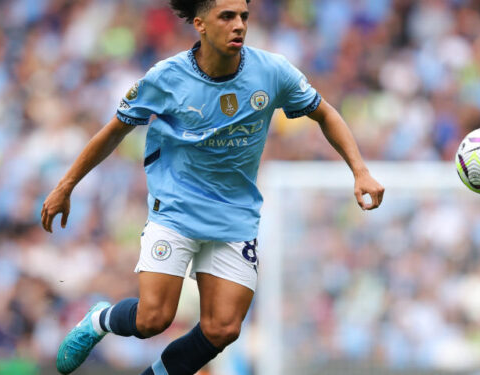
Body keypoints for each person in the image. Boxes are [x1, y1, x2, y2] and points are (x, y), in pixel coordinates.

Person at [40, 0, 385, 374]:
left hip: (234, 215)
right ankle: (99, 320)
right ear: (201, 25)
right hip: (176, 209)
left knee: (223, 328)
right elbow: (114, 131)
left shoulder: (272, 72)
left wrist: (360, 170)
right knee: (152, 319)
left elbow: (325, 113)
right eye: (227, 17)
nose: (239, 25)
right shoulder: (166, 78)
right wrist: (66, 185)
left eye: (244, 17)